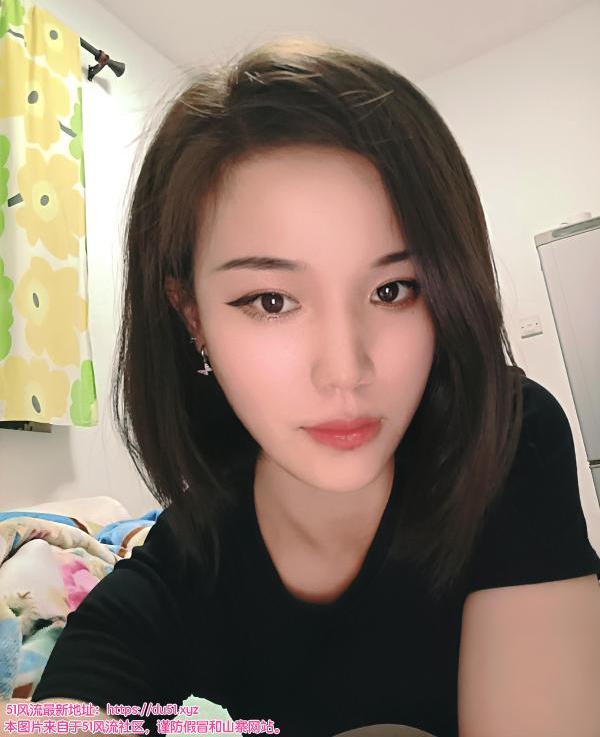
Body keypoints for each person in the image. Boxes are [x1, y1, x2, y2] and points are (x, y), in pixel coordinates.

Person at [27, 37, 600, 737]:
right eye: (271, 301)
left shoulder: (503, 436)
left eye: (394, 289)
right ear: (192, 316)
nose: (345, 369)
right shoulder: (185, 557)